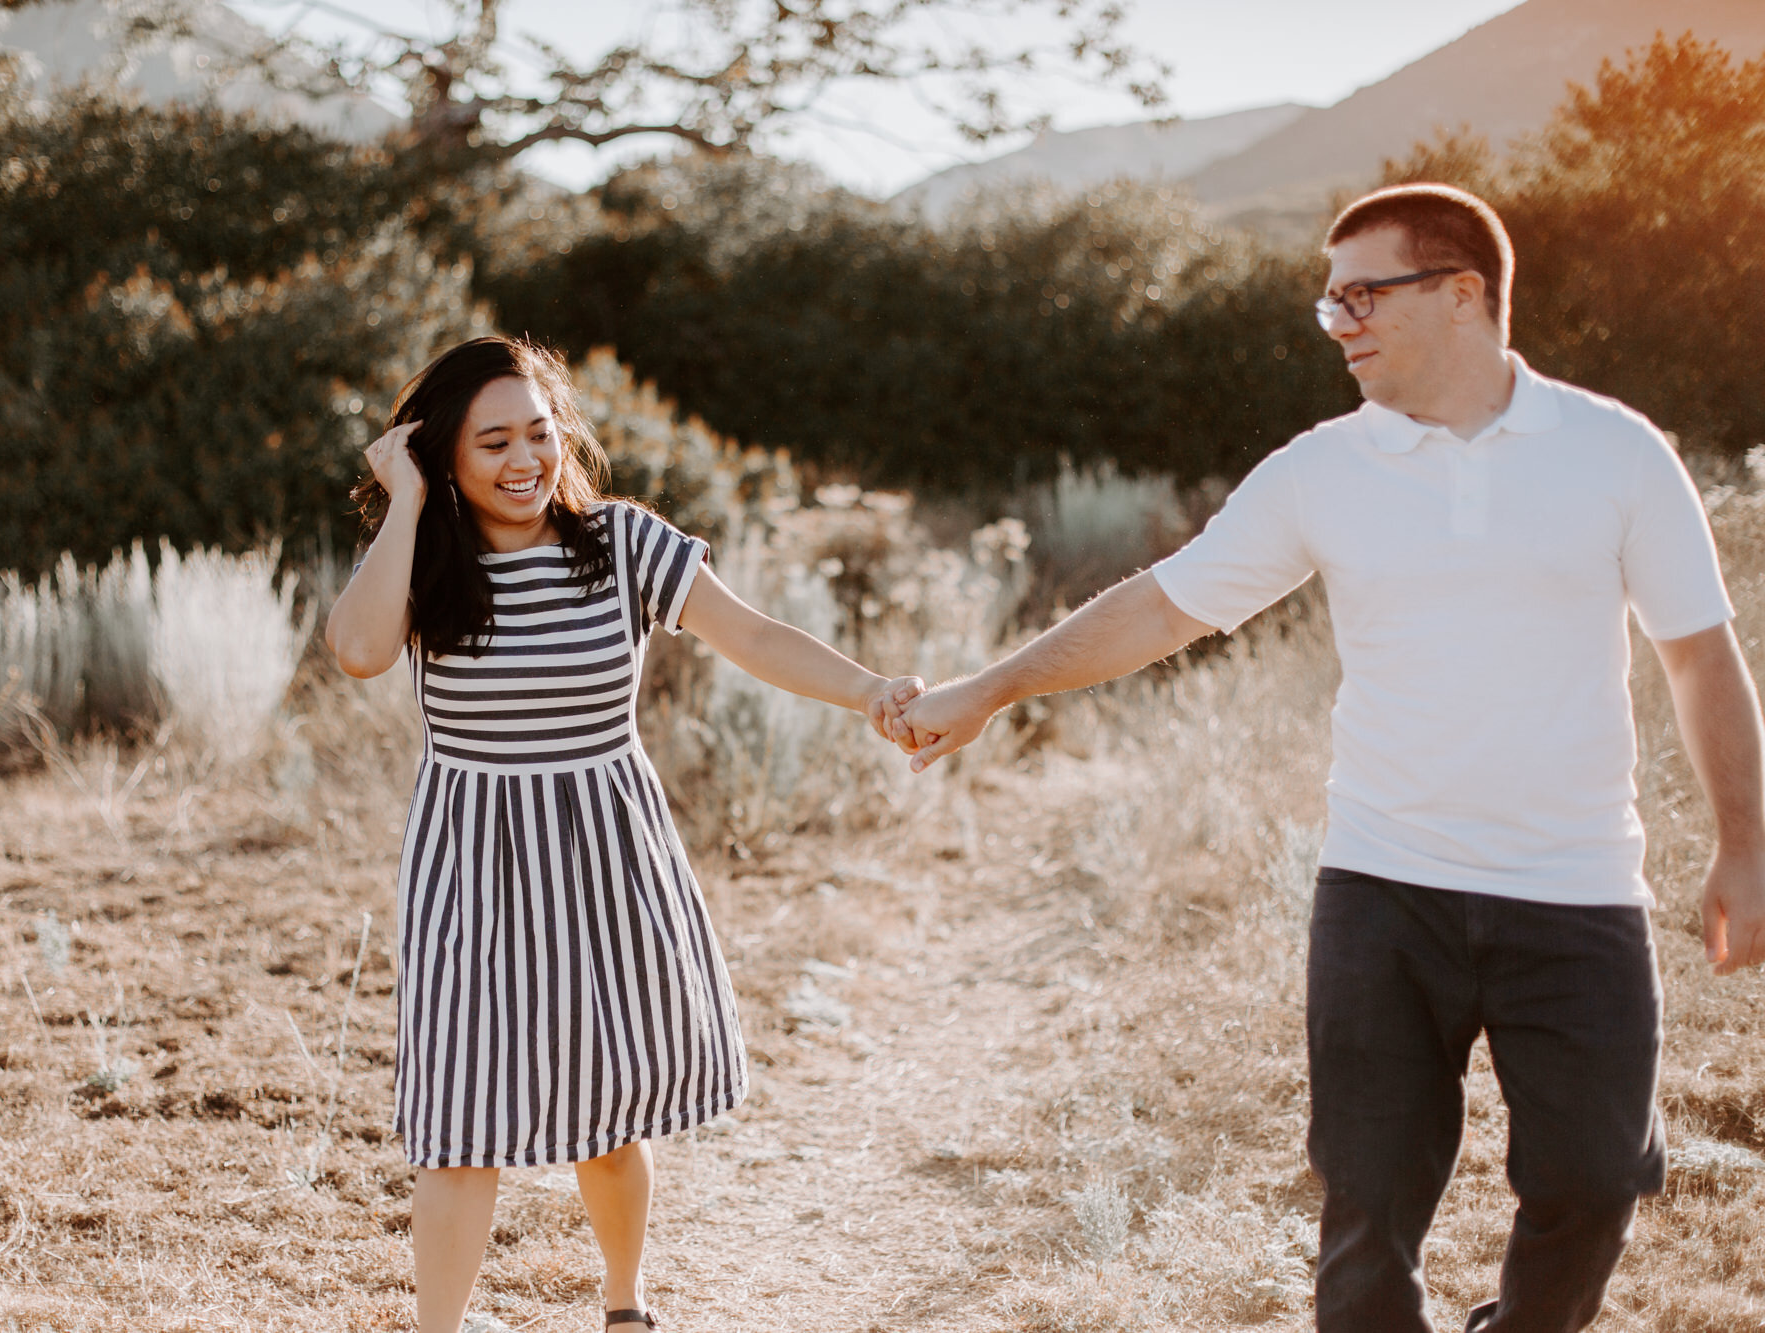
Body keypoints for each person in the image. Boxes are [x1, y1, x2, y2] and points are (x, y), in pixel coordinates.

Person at [890, 184, 1765, 1332]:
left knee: (1593, 1183)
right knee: (1366, 1209)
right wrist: (996, 684)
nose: (1337, 319)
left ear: (1463, 295)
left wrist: (1745, 846)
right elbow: (1163, 607)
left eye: (1363, 292)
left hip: (1574, 889)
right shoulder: (1321, 468)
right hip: (1381, 887)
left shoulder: (1612, 454)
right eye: (1328, 299)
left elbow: (1700, 658)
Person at [325, 335, 921, 1333]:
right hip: (471, 857)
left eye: (539, 435)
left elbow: (752, 634)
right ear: (442, 457)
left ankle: (624, 1308)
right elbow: (356, 651)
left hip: (606, 849)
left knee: (607, 1111)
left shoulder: (621, 543)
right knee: (458, 1127)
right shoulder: (425, 560)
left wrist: (866, 692)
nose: (524, 462)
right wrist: (406, 504)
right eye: (492, 443)